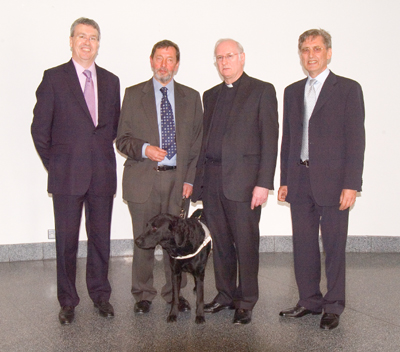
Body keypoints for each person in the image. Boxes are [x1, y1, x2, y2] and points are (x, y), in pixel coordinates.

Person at [31, 17, 120, 325]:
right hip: (67, 175)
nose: (87, 42)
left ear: (98, 44)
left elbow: (111, 129)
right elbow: (40, 130)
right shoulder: (54, 78)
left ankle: (100, 295)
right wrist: (55, 164)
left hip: (102, 175)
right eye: (81, 36)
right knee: (66, 242)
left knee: (100, 240)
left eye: (93, 37)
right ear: (71, 41)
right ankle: (67, 300)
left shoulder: (111, 81)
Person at [278, 29, 365, 330]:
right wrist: (285, 179)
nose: (310, 54)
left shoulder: (348, 89)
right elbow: (288, 139)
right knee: (303, 245)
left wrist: (352, 183)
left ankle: (334, 304)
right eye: (305, 49)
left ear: (328, 52)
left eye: (317, 49)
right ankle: (309, 301)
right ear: (300, 54)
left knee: (334, 246)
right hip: (299, 181)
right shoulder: (291, 91)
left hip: (334, 183)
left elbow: (356, 140)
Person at [192, 39, 279, 325]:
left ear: (242, 57)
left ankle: (246, 300)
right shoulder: (211, 95)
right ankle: (225, 294)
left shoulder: (262, 90)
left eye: (229, 56)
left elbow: (270, 140)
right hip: (214, 181)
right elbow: (206, 142)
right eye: (219, 57)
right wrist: (199, 182)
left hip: (244, 183)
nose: (224, 61)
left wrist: (263, 183)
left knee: (245, 242)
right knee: (220, 243)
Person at [116, 40, 203, 314]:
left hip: (178, 182)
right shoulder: (132, 95)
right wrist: (144, 149)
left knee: (177, 242)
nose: (164, 64)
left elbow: (198, 145)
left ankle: (174, 293)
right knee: (144, 239)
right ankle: (143, 293)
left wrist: (190, 180)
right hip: (144, 180)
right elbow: (122, 140)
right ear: (151, 60)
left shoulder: (192, 97)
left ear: (177, 65)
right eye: (159, 58)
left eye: (170, 59)